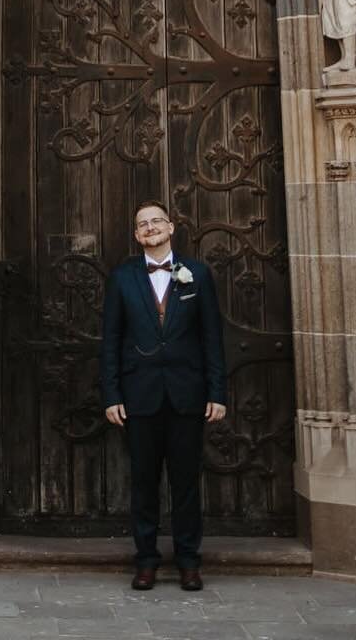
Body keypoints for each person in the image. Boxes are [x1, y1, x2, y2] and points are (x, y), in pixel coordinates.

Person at [100, 203, 227, 593]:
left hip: (187, 397)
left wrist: (217, 393)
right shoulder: (122, 278)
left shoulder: (198, 275)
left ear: (171, 227)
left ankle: (189, 561)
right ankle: (147, 561)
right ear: (137, 235)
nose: (150, 228)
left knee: (186, 484)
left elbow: (212, 339)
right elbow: (111, 341)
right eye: (142, 224)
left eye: (156, 221)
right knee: (143, 483)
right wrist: (112, 394)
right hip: (139, 397)